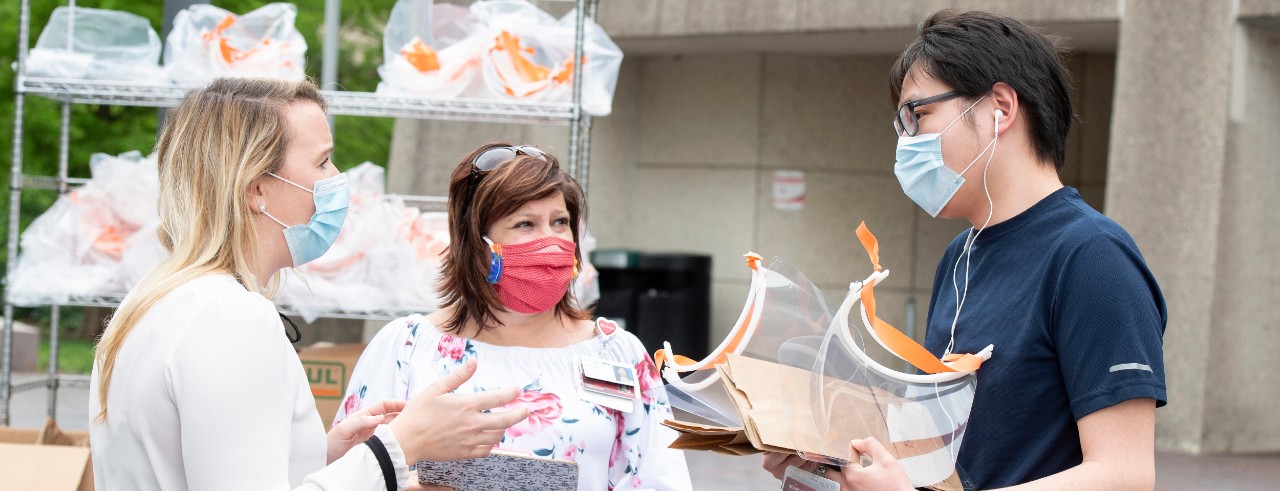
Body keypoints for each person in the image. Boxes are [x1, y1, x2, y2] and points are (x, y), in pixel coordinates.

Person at [763, 9, 1166, 490]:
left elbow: (1125, 475)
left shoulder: (1091, 256)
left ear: (1000, 107)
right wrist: (831, 456)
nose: (905, 143)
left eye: (917, 114)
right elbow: (948, 451)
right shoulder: (960, 256)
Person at [88, 78, 528, 491]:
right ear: (255, 188)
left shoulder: (157, 301)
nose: (338, 177)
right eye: (321, 161)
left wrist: (320, 454)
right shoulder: (229, 316)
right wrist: (401, 445)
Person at [334, 143, 692, 491]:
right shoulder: (408, 347)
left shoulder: (618, 354)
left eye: (560, 222)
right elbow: (351, 471)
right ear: (477, 243)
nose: (550, 241)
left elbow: (660, 476)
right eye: (525, 224)